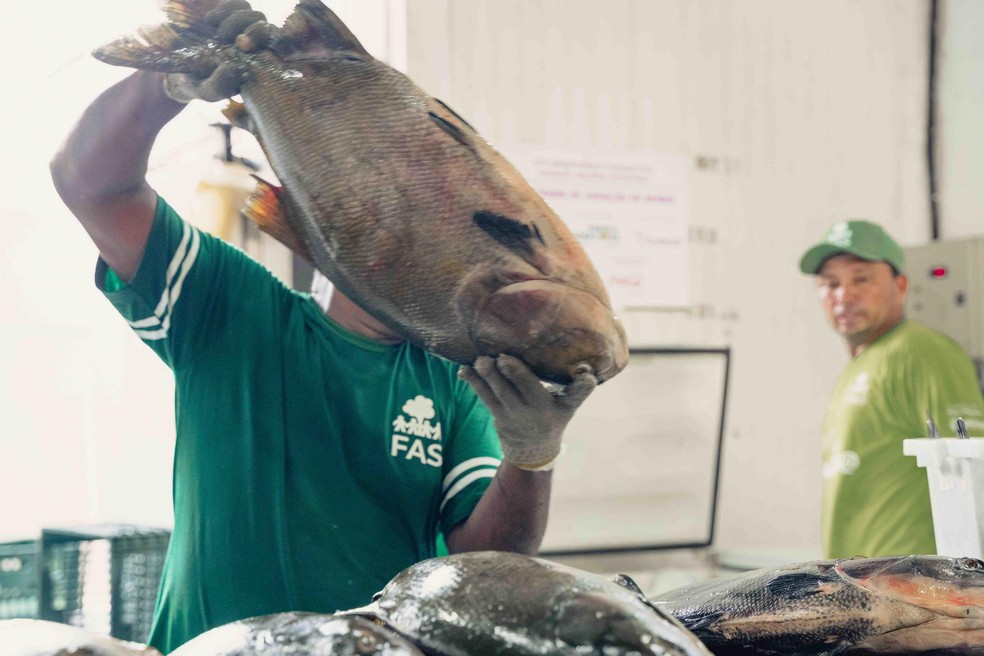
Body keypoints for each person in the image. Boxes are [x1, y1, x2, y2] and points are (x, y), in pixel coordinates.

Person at [49, 68, 597, 652]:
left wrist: (531, 456)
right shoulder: (231, 310)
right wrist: (166, 79)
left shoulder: (456, 381)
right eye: (400, 221)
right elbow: (90, 184)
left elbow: (485, 568)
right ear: (341, 224)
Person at [800, 219, 984, 559]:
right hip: (863, 590)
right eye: (830, 283)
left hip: (915, 594)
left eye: (862, 279)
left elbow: (974, 476)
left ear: (900, 286)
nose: (844, 295)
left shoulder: (923, 353)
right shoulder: (860, 364)